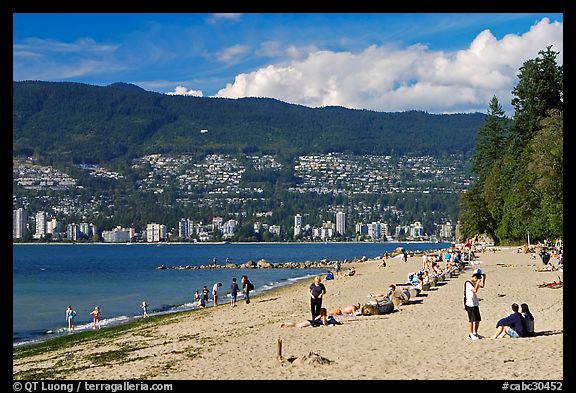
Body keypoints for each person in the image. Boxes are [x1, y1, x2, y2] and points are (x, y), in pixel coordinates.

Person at [464, 268, 486, 340]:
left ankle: (475, 333)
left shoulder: (474, 282)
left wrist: (484, 278)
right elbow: (475, 290)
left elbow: (482, 286)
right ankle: (470, 334)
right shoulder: (468, 283)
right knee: (471, 320)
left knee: (477, 319)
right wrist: (476, 283)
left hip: (475, 303)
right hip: (470, 303)